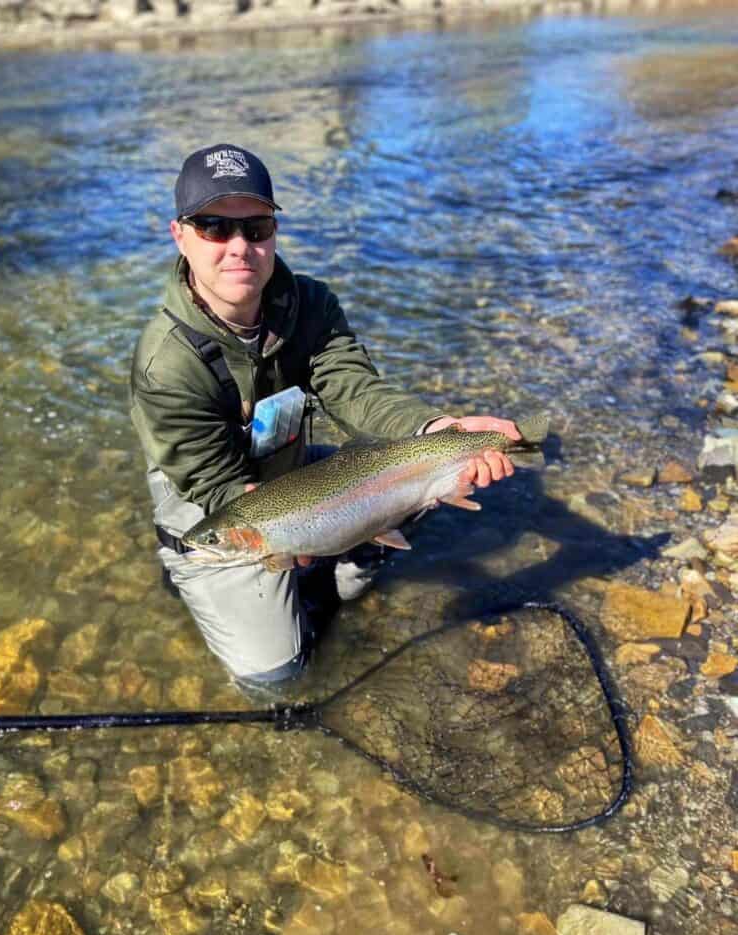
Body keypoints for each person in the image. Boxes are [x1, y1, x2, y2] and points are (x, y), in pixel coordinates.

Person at [130, 142, 520, 698]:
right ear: (181, 235)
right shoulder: (166, 362)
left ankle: (343, 560)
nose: (240, 247)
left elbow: (355, 388)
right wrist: (284, 537)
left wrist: (436, 432)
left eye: (257, 227)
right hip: (212, 500)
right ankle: (202, 569)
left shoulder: (308, 304)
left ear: (273, 232)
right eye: (215, 227)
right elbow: (215, 485)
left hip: (288, 472)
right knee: (277, 677)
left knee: (422, 478)